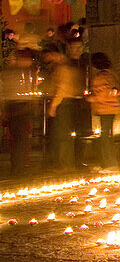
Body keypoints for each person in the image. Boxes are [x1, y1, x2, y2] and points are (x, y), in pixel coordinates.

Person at [44, 41, 82, 172]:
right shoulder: (61, 67)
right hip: (65, 102)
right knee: (61, 134)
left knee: (63, 135)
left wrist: (53, 105)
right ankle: (64, 162)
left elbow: (62, 88)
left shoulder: (63, 68)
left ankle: (66, 164)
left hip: (64, 103)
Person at [2, 49, 36, 177]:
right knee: (19, 140)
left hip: (18, 107)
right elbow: (13, 91)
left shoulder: (20, 71)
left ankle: (18, 167)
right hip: (17, 108)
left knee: (19, 140)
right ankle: (18, 168)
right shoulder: (14, 72)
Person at [86, 52, 120, 171]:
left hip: (105, 108)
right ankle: (106, 163)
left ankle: (110, 164)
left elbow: (105, 93)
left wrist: (93, 98)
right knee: (106, 136)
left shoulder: (101, 77)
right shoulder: (112, 74)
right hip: (111, 107)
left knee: (105, 137)